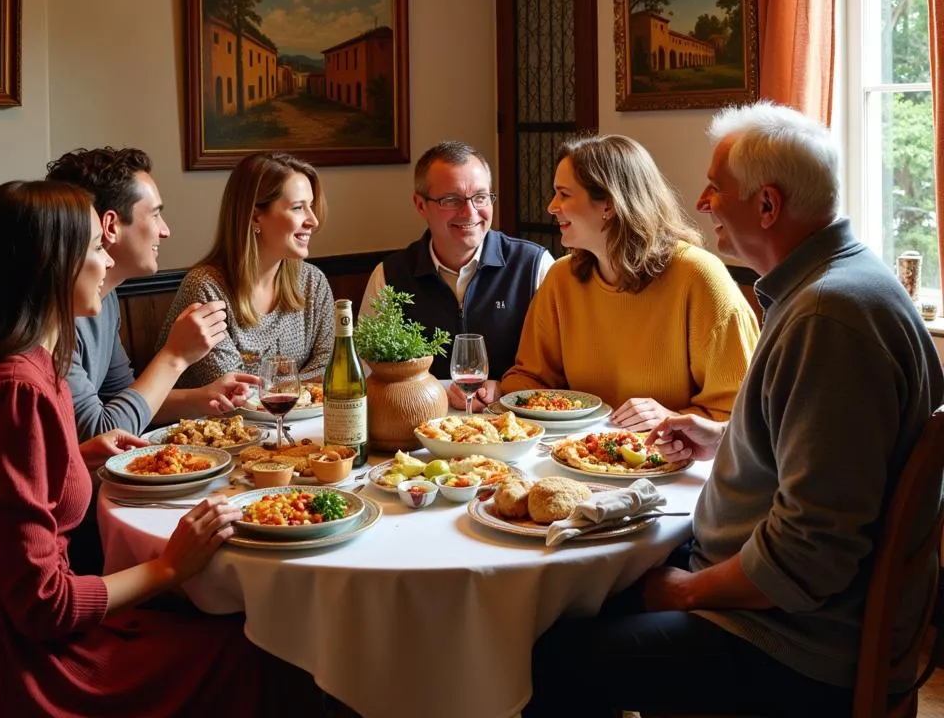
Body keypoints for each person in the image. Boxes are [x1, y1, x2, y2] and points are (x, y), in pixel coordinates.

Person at [526, 103, 944, 717]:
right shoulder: (842, 283)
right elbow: (826, 459)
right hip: (786, 608)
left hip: (790, 642)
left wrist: (689, 591)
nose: (700, 202)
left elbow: (812, 551)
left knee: (546, 652)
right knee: (582, 596)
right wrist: (722, 437)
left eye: (716, 188)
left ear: (768, 206)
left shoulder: (827, 319)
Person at [0, 180, 268, 717]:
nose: (108, 259)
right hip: (21, 662)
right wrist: (169, 567)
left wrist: (76, 458)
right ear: (51, 266)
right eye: (95, 248)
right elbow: (44, 604)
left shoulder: (19, 362)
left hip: (8, 630)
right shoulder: (16, 389)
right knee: (250, 651)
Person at [500, 134, 759, 428]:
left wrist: (671, 418)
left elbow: (741, 416)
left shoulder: (699, 277)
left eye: (564, 194)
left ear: (608, 204)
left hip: (673, 463)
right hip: (576, 455)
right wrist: (500, 389)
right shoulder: (562, 278)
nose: (551, 206)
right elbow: (530, 378)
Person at [47, 147, 253, 440]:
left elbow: (124, 400)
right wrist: (175, 356)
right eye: (155, 215)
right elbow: (101, 431)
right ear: (111, 226)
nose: (165, 231)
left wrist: (202, 398)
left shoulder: (106, 300)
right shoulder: (51, 319)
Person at [360, 140, 554, 403]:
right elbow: (368, 375)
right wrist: (437, 394)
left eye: (481, 197)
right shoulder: (390, 276)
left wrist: (506, 388)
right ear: (420, 205)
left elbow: (558, 371)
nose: (470, 212)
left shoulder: (534, 265)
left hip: (519, 428)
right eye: (451, 200)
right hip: (421, 430)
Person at [161, 151, 334, 387]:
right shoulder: (205, 288)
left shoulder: (313, 282)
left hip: (298, 422)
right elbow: (235, 391)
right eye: (297, 208)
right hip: (215, 423)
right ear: (255, 217)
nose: (313, 220)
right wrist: (302, 387)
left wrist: (290, 390)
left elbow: (330, 368)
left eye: (311, 206)